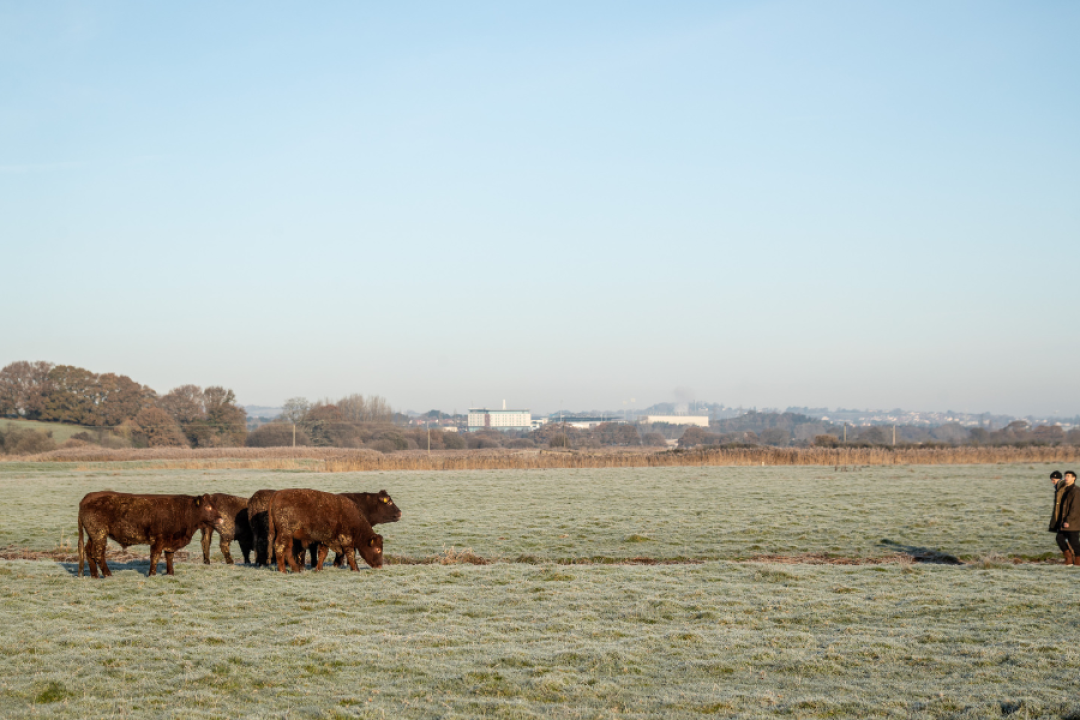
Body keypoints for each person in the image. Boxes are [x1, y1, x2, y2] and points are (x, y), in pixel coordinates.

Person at [1053, 471, 1080, 566]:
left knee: (1074, 543)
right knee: (1059, 538)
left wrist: (1068, 520)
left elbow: (1075, 508)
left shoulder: (1076, 491)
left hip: (1072, 523)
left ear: (1074, 478)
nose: (1066, 478)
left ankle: (1078, 561)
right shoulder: (1066, 490)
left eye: (1068, 476)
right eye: (1065, 476)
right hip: (1064, 522)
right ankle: (1068, 558)